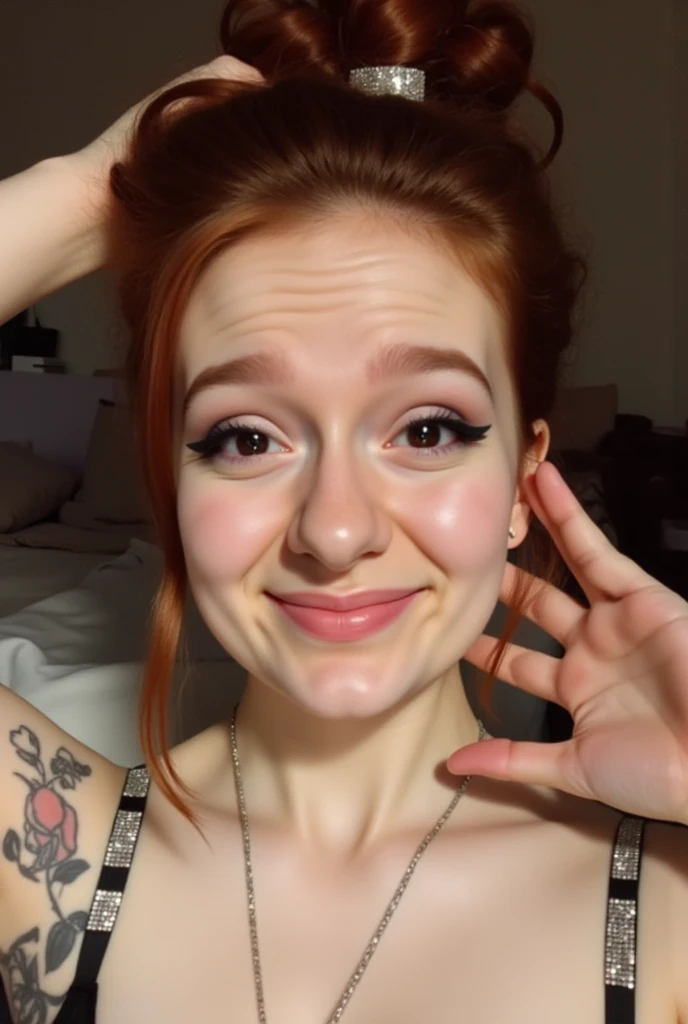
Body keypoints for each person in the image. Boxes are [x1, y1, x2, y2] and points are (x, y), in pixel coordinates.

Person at [1, 1, 688, 1022]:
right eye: (245, 437)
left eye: (425, 430)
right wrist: (87, 194)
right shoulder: (60, 848)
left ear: (522, 479)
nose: (333, 528)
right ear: (169, 478)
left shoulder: (666, 910)